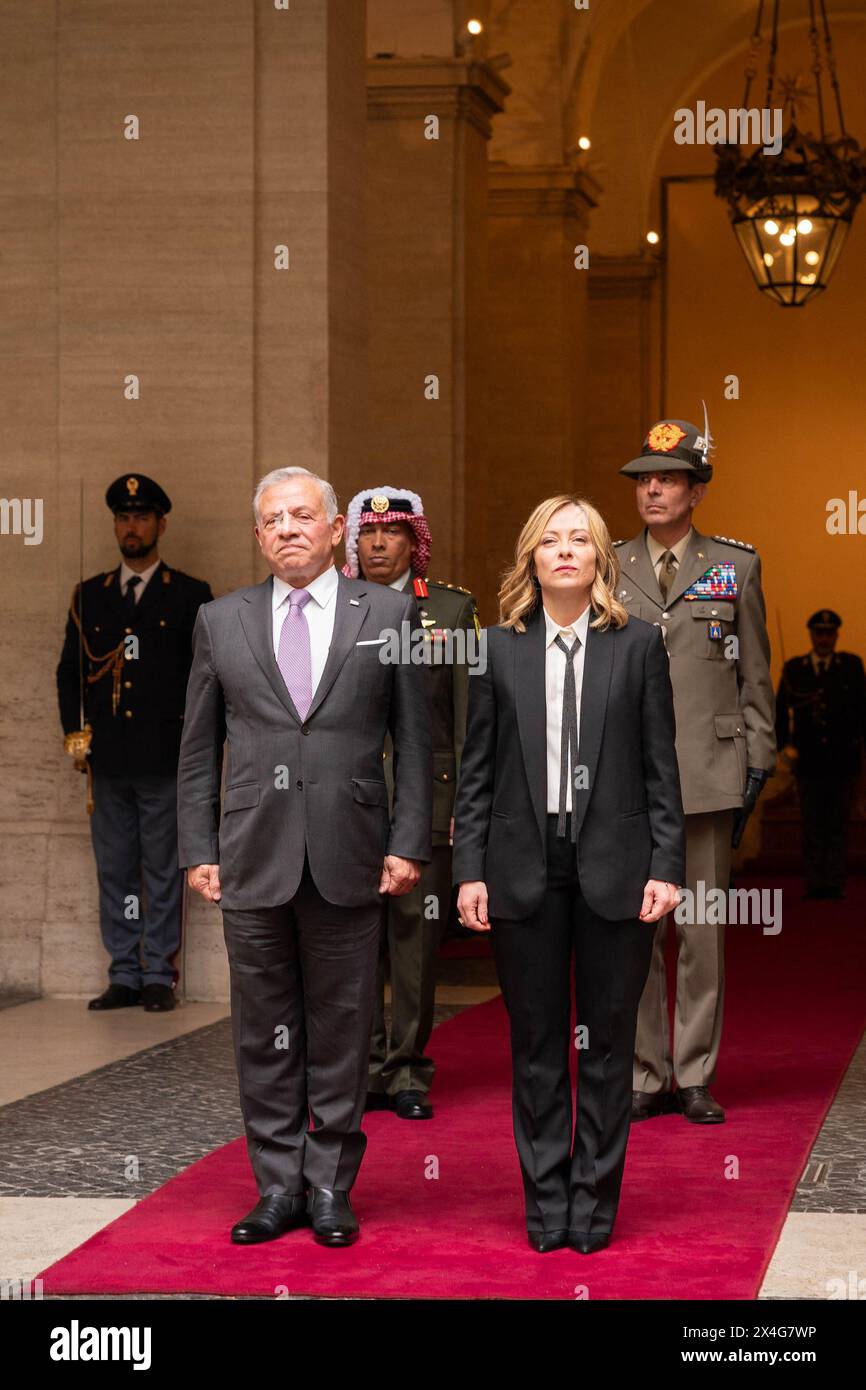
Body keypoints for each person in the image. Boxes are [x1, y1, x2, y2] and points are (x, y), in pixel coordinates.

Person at [177, 467, 432, 1248]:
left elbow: (417, 743)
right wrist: (197, 846)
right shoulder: (220, 620)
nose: (287, 529)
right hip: (251, 855)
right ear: (258, 537)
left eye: (302, 516)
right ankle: (277, 1185)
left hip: (352, 853)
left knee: (342, 1026)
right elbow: (195, 749)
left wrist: (408, 839)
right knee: (262, 1031)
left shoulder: (389, 613)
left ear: (332, 531)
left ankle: (329, 1186)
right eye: (272, 520)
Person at [452, 495, 684, 1254]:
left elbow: (661, 770)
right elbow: (474, 775)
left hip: (616, 868)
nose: (563, 551)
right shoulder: (496, 649)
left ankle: (594, 1202)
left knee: (608, 1046)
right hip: (523, 866)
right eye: (549, 540)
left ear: (598, 559)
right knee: (538, 1045)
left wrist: (668, 867)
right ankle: (546, 1202)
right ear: (531, 557)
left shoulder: (639, 646)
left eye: (578, 539)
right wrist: (468, 871)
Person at [616, 416, 775, 1124]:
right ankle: (646, 1072)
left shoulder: (733, 566)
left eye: (668, 478)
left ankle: (696, 1071)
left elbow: (756, 675)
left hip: (710, 769)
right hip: (624, 776)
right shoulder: (608, 564)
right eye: (644, 479)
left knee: (701, 930)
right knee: (637, 931)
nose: (652, 488)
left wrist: (759, 758)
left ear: (696, 490)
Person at [343, 486, 479, 1120]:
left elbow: (468, 719)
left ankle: (407, 1070)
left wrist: (466, 805)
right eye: (367, 534)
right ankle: (364, 1065)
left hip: (429, 799)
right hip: (350, 802)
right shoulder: (336, 607)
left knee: (416, 943)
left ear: (412, 542)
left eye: (391, 533)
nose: (376, 544)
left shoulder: (451, 612)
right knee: (354, 941)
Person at [56, 473, 213, 1013]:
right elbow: (69, 673)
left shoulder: (190, 596)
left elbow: (205, 679)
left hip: (165, 757)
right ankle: (123, 971)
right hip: (109, 760)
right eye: (123, 517)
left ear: (160, 524)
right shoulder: (91, 596)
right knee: (117, 870)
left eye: (142, 517)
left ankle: (156, 972)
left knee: (165, 869)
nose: (131, 526)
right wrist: (74, 734)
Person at [776, 609, 866, 899]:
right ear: (812, 635)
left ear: (836, 635)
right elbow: (780, 713)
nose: (824, 639)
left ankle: (835, 883)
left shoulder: (851, 667)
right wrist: (783, 746)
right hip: (809, 762)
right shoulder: (794, 669)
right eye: (820, 633)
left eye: (829, 633)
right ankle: (815, 883)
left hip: (842, 761)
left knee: (838, 824)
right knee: (812, 824)